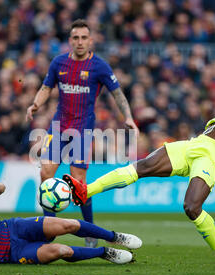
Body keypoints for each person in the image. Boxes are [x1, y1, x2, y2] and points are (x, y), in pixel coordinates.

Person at [63, 59, 215, 271]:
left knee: (191, 207)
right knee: (141, 167)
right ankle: (85, 191)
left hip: (212, 155)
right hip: (196, 144)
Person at [26, 19, 139, 248]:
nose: (79, 42)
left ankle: (90, 230)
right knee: (45, 174)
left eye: (83, 38)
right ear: (70, 41)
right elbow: (46, 87)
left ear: (91, 40)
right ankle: (49, 229)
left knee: (79, 183)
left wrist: (128, 116)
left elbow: (117, 94)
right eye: (75, 38)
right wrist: (35, 104)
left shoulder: (99, 66)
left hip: (82, 130)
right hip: (58, 127)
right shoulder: (58, 63)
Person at [0, 176, 142, 265]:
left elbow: (1, 189)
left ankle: (114, 237)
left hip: (15, 228)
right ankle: (104, 253)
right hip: (13, 254)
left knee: (68, 224)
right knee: (62, 251)